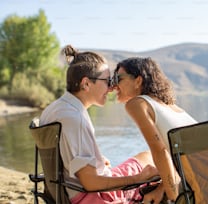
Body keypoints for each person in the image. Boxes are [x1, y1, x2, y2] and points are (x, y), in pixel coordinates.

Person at [39, 45, 158, 204]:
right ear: (86, 84)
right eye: (107, 81)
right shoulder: (76, 119)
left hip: (67, 192)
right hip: (93, 197)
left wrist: (95, 160)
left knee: (146, 156)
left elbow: (67, 158)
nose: (111, 88)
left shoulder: (54, 109)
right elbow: (91, 183)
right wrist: (137, 178)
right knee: (151, 162)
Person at [111, 57, 197, 203]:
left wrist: (174, 199)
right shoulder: (172, 108)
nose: (114, 86)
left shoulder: (137, 104)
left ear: (138, 80)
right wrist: (162, 187)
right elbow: (179, 156)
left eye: (118, 78)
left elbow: (160, 151)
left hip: (195, 186)